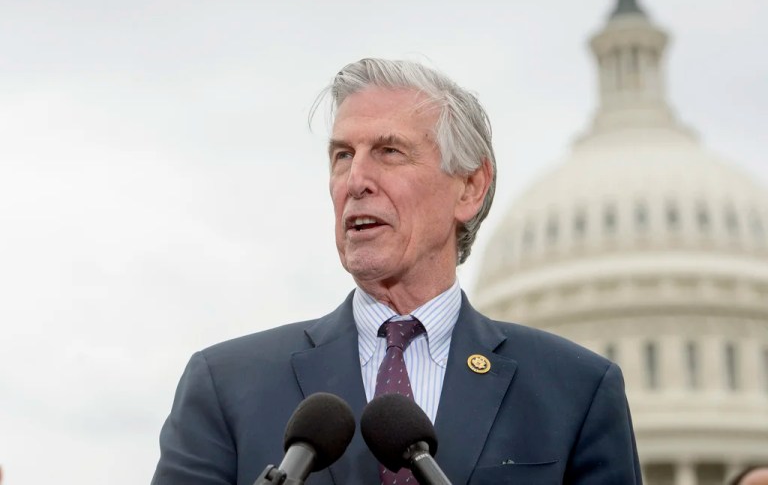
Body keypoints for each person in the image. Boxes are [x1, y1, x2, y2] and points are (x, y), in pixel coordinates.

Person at [151, 58, 642, 484]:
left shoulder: (576, 391)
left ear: (470, 187)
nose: (356, 180)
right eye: (343, 155)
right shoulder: (224, 386)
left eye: (389, 152)